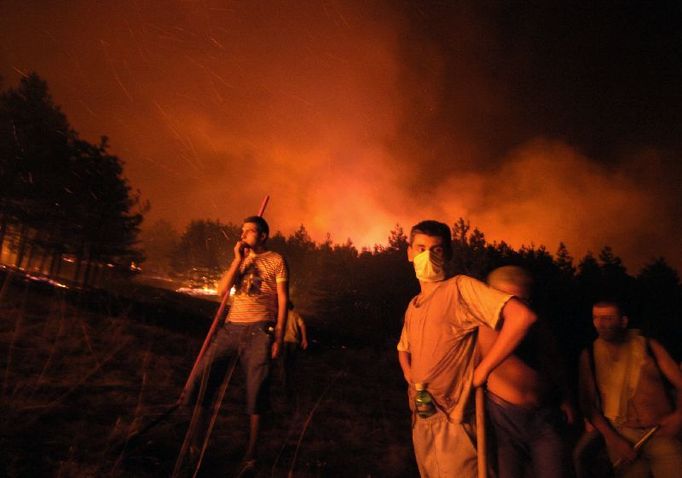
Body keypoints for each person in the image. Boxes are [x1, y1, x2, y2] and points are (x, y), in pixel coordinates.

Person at [397, 220, 537, 477]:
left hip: (454, 419)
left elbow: (521, 318)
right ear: (409, 252)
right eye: (420, 248)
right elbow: (404, 347)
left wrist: (483, 370)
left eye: (436, 249)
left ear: (448, 254)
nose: (427, 256)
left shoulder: (460, 288)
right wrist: (409, 373)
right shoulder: (414, 304)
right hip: (423, 413)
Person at [182, 216, 288, 472]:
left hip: (259, 330)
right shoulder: (241, 260)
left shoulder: (276, 260)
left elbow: (283, 299)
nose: (242, 236)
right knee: (203, 379)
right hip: (231, 328)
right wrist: (238, 260)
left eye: (249, 231)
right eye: (241, 231)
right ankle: (195, 444)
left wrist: (279, 336)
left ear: (262, 235)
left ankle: (251, 456)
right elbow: (221, 291)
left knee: (256, 391)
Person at [479, 265, 575, 478]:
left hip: (543, 415)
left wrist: (565, 398)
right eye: (506, 298)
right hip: (502, 419)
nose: (514, 305)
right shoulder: (480, 329)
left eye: (521, 299)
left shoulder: (538, 328)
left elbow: (554, 362)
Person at [578, 300, 682, 477]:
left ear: (623, 321)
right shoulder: (590, 354)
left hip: (660, 433)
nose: (600, 324)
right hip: (621, 435)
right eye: (596, 318)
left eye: (608, 318)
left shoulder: (648, 347)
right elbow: (587, 404)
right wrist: (614, 440)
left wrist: (679, 416)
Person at [280, 300, 308, 402]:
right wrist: (304, 339)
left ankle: (285, 389)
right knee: (291, 366)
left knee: (283, 366)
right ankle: (290, 388)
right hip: (294, 342)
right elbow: (303, 325)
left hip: (283, 342)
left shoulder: (280, 314)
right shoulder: (295, 315)